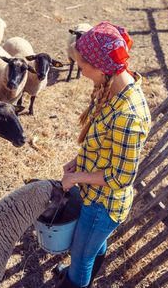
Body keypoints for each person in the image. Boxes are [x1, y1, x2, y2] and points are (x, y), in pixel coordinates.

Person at [56, 21, 151, 288]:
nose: (81, 71)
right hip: (96, 194)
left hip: (104, 204)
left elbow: (121, 177)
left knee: (81, 256)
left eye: (83, 66)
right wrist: (79, 161)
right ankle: (84, 270)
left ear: (100, 66)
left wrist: (76, 177)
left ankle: (76, 280)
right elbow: (104, 145)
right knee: (92, 248)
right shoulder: (114, 87)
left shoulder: (128, 116)